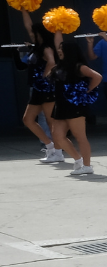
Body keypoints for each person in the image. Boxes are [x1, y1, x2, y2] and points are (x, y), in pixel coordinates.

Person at [49, 35, 101, 176]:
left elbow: (97, 77)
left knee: (80, 136)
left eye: (62, 49)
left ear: (69, 51)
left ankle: (87, 165)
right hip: (60, 105)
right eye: (59, 48)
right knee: (58, 136)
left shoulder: (79, 67)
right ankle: (78, 160)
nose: (59, 50)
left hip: (75, 105)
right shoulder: (59, 66)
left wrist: (87, 90)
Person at [18, 15, 58, 162]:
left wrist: (43, 76)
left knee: (50, 121)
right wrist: (23, 10)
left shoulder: (46, 48)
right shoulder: (36, 47)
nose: (31, 35)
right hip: (37, 89)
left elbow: (52, 62)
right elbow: (29, 27)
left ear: (39, 34)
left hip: (46, 88)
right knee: (28, 119)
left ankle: (57, 152)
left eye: (34, 34)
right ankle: (50, 146)